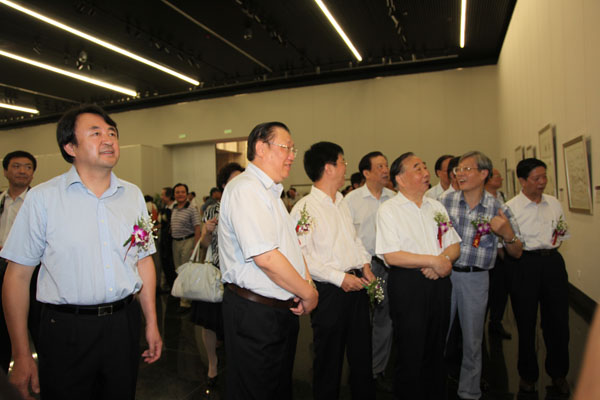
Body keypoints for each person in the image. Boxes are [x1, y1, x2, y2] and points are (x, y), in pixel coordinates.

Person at [0, 104, 162, 400]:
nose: (108, 140)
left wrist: (151, 322)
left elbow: (143, 260)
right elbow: (17, 277)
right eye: (95, 133)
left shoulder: (132, 195)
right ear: (70, 147)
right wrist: (21, 353)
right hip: (66, 329)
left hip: (123, 324)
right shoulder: (43, 199)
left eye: (112, 133)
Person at [218, 121, 318, 399]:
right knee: (256, 389)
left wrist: (305, 284)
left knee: (275, 387)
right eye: (286, 147)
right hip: (255, 313)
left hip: (276, 310)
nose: (292, 156)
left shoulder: (270, 193)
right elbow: (266, 257)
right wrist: (308, 292)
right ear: (261, 148)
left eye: (293, 149)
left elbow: (290, 249)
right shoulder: (246, 189)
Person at [291, 142, 375, 400]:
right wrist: (340, 279)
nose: (345, 167)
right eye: (342, 162)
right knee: (328, 361)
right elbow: (302, 257)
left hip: (356, 285)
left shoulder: (342, 202)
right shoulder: (305, 209)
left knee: (362, 357)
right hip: (329, 292)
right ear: (328, 168)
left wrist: (365, 265)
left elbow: (354, 239)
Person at [377, 152, 461, 399]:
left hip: (440, 281)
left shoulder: (436, 207)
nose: (425, 173)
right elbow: (391, 255)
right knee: (411, 349)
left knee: (437, 346)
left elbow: (453, 244)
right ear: (400, 179)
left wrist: (443, 262)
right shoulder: (389, 210)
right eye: (417, 168)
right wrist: (433, 261)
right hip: (408, 284)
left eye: (425, 167)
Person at [440, 151, 522, 400]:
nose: (460, 174)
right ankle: (435, 384)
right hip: (444, 275)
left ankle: (469, 391)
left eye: (467, 169)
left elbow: (517, 251)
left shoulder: (498, 208)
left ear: (484, 173)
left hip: (476, 279)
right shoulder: (445, 202)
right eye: (458, 170)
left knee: (473, 339)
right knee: (438, 334)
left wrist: (507, 234)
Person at [505, 158, 571, 395]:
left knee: (558, 322)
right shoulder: (511, 208)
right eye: (536, 178)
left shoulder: (554, 203)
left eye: (544, 177)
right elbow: (507, 244)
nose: (542, 182)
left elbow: (560, 234)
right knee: (526, 322)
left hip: (552, 263)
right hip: (525, 264)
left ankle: (558, 373)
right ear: (522, 181)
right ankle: (528, 375)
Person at [342, 151, 395, 390]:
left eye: (386, 165)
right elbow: (346, 236)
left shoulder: (394, 199)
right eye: (380, 166)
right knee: (361, 320)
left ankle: (376, 368)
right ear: (366, 172)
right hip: (361, 267)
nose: (386, 170)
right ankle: (359, 367)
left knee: (385, 316)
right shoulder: (351, 201)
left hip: (386, 266)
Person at [191, 162, 244, 388]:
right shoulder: (213, 209)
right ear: (223, 185)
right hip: (215, 272)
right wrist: (207, 232)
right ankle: (212, 364)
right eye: (233, 180)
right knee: (210, 323)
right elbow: (204, 244)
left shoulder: (249, 207)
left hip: (241, 276)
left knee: (237, 324)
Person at [0, 150, 40, 374]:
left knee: (37, 327)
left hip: (31, 275)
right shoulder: (1, 201)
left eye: (28, 167)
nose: (22, 171)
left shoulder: (38, 201)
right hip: (1, 270)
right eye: (16, 166)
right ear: (5, 171)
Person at [484, 168, 511, 339]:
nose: (500, 178)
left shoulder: (503, 198)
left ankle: (496, 322)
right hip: (488, 253)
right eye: (496, 176)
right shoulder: (481, 200)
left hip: (504, 253)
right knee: (486, 292)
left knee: (501, 291)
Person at [171, 182, 202, 310]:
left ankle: (185, 302)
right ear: (174, 194)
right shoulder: (174, 208)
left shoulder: (191, 208)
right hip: (175, 242)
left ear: (187, 194)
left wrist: (195, 247)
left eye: (183, 192)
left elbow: (197, 228)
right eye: (177, 192)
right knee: (178, 270)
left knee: (186, 271)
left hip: (187, 241)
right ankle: (182, 296)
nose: (180, 194)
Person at [158, 187, 176, 290]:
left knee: (171, 264)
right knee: (165, 264)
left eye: (163, 195)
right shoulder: (164, 207)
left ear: (169, 196)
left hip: (171, 241)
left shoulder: (174, 208)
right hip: (164, 240)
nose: (161, 197)